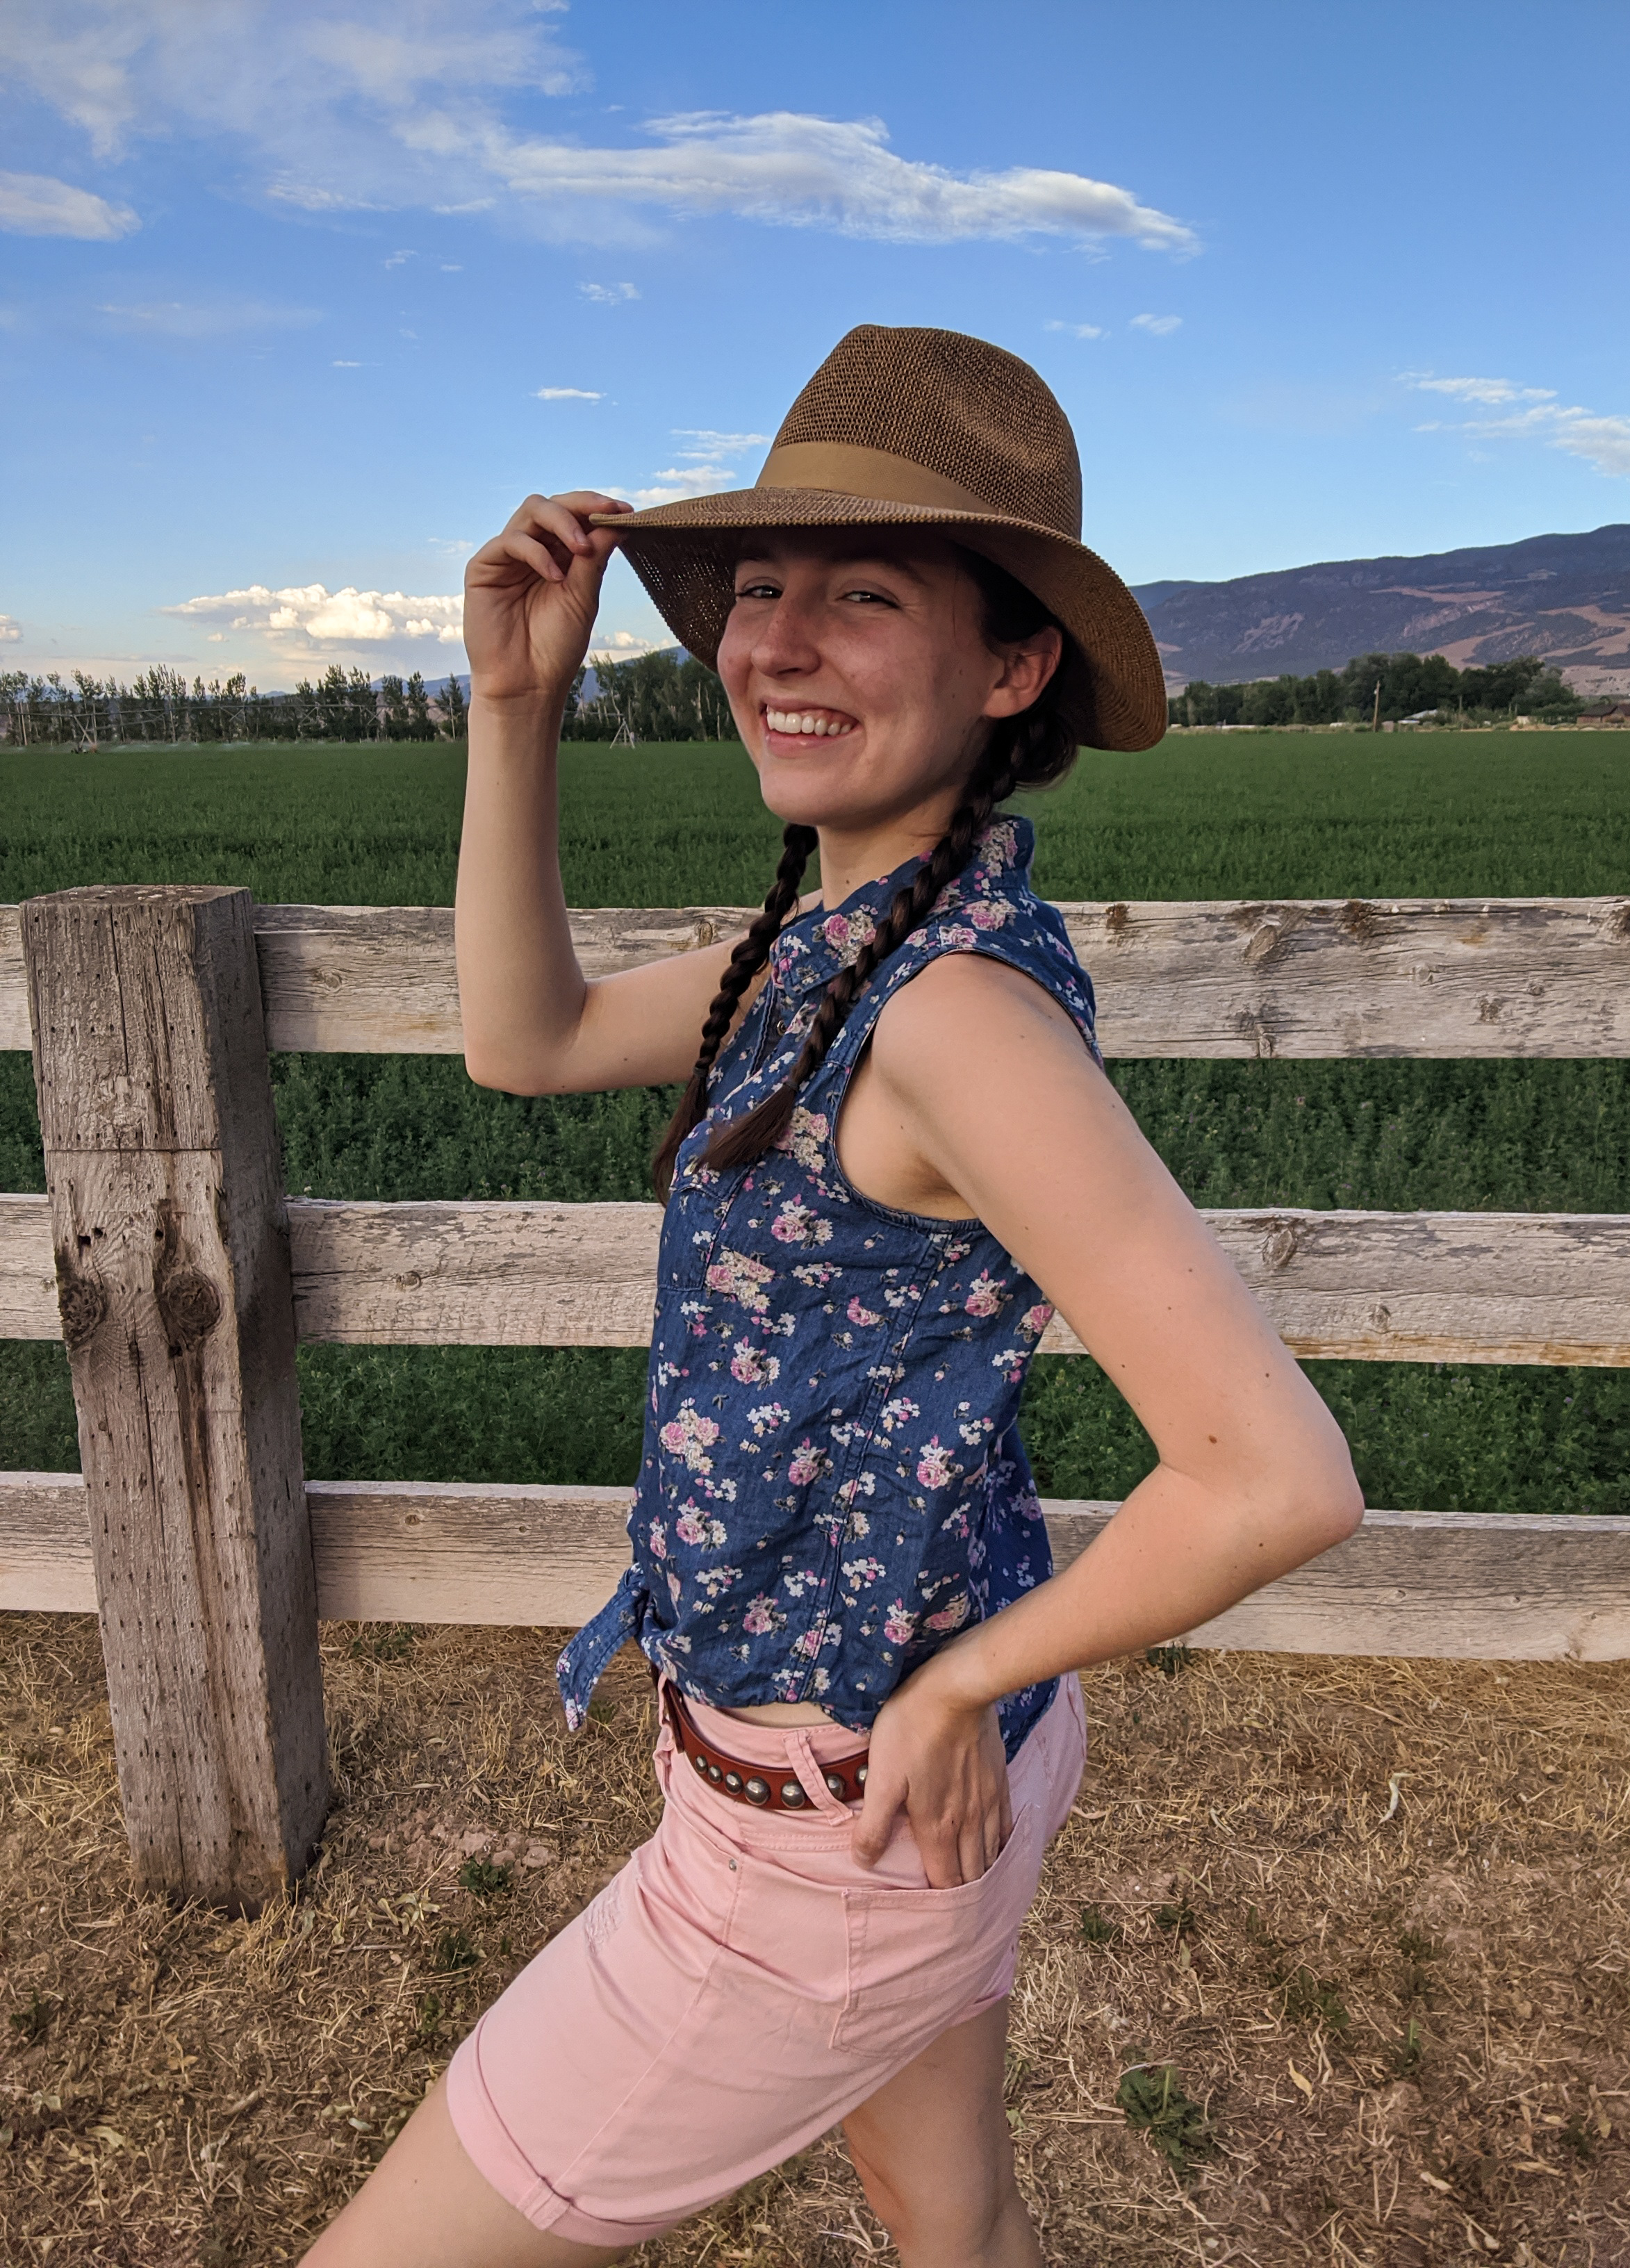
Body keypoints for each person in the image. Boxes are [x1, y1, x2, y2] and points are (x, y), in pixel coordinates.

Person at [302, 325, 1362, 2268]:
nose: (780, 642)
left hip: (827, 1846)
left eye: (864, 595)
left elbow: (1278, 1475)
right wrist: (512, 708)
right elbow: (526, 1039)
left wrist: (959, 1682)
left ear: (1013, 663)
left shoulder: (951, 1014)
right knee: (947, 2225)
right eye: (759, 589)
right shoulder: (836, 944)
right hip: (898, 1794)